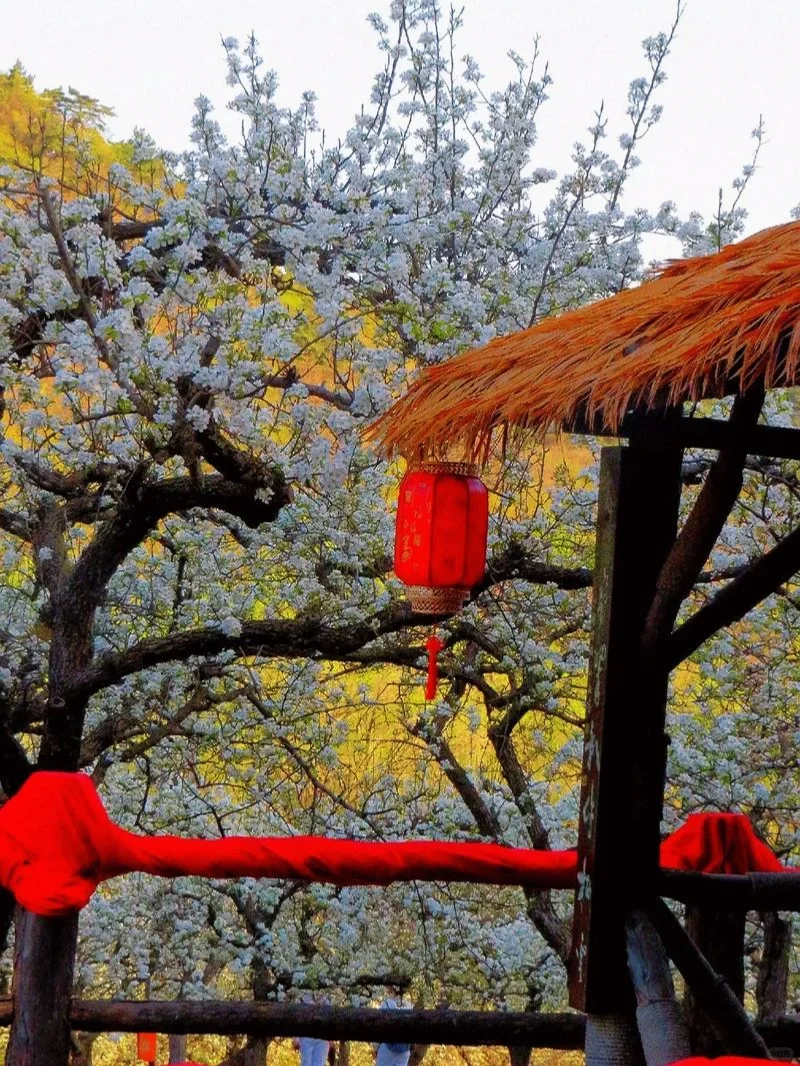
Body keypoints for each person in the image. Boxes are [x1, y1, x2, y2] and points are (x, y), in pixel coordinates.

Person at [375, 993, 412, 1066]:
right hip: (404, 1051)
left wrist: (377, 1047)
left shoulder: (386, 1005)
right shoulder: (409, 1007)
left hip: (387, 1049)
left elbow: (378, 1027)